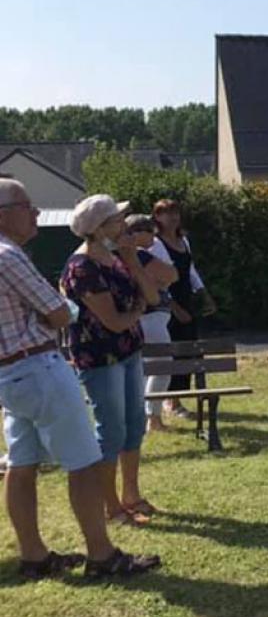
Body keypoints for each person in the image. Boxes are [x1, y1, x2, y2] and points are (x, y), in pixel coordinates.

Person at [0, 178, 159, 578]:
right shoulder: (9, 256)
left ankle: (34, 556)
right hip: (39, 367)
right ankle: (102, 555)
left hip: (9, 374)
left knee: (22, 463)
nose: (36, 212)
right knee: (84, 462)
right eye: (27, 205)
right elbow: (60, 312)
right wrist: (49, 314)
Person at [62, 195, 162, 525]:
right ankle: (112, 508)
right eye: (117, 220)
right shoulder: (81, 267)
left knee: (133, 425)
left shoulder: (117, 258)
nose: (124, 225)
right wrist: (136, 312)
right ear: (98, 228)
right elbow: (115, 321)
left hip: (128, 352)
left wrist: (133, 261)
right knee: (112, 431)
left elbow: (153, 297)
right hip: (100, 360)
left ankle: (131, 494)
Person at [151, 199, 214, 421]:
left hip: (186, 298)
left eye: (175, 212)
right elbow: (158, 278)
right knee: (172, 351)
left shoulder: (183, 240)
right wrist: (173, 307)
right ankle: (171, 401)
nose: (172, 217)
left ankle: (178, 397)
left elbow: (190, 270)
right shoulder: (156, 243)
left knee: (188, 349)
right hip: (168, 303)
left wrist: (203, 293)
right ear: (157, 217)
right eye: (166, 213)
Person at [126, 215, 178, 433]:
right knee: (162, 367)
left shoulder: (131, 256)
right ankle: (153, 419)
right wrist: (157, 281)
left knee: (147, 369)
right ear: (135, 233)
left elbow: (169, 277)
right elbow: (171, 274)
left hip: (147, 319)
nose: (154, 235)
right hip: (151, 319)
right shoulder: (139, 256)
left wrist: (156, 280)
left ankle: (146, 416)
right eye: (148, 230)